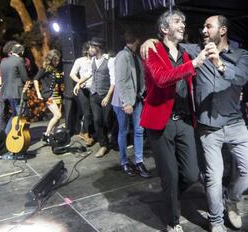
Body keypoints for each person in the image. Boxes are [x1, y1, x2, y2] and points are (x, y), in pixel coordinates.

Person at [141, 15, 248, 232]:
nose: (203, 30)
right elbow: (167, 43)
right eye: (203, 26)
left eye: (208, 27)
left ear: (222, 30)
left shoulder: (241, 54)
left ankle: (231, 198)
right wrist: (149, 40)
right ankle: (215, 221)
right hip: (207, 126)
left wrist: (219, 63)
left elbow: (241, 78)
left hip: (234, 123)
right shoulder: (195, 50)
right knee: (211, 178)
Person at [140, 9, 207, 232]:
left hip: (185, 121)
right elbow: (161, 79)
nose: (182, 25)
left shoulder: (186, 53)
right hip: (161, 121)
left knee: (190, 173)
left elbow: (193, 83)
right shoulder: (152, 50)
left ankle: (171, 195)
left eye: (183, 22)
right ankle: (173, 220)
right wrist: (193, 65)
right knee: (169, 173)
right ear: (164, 29)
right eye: (177, 22)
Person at [111, 31, 151, 178]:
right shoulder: (123, 55)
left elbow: (140, 76)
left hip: (136, 99)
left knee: (139, 130)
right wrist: (126, 102)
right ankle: (124, 162)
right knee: (124, 131)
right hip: (124, 102)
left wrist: (141, 93)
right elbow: (120, 81)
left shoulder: (134, 56)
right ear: (136, 41)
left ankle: (139, 161)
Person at [75, 37, 115, 158]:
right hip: (94, 95)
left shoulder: (110, 60)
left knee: (107, 120)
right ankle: (103, 145)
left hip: (105, 95)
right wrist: (78, 83)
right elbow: (89, 74)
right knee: (97, 120)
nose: (90, 49)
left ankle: (112, 139)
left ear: (98, 48)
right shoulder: (93, 60)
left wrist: (108, 96)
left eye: (92, 47)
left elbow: (114, 81)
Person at [0, 42, 30, 134]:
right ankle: (20, 135)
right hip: (17, 91)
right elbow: (24, 77)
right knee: (22, 114)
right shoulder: (19, 60)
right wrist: (29, 81)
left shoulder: (3, 61)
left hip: (7, 92)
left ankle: (6, 135)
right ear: (22, 52)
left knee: (15, 114)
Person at [33, 49, 63, 143]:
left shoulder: (54, 69)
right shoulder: (44, 68)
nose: (57, 62)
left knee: (57, 119)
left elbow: (56, 81)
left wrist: (61, 76)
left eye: (58, 60)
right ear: (50, 59)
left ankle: (53, 135)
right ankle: (46, 134)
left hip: (57, 95)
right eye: (55, 60)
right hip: (49, 95)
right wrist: (38, 92)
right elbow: (35, 79)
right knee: (58, 115)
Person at [70, 42, 95, 146]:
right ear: (86, 50)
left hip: (94, 89)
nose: (93, 50)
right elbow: (72, 74)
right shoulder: (79, 61)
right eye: (91, 48)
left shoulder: (96, 60)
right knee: (87, 113)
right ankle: (84, 132)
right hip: (83, 90)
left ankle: (90, 132)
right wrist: (80, 81)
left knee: (94, 112)